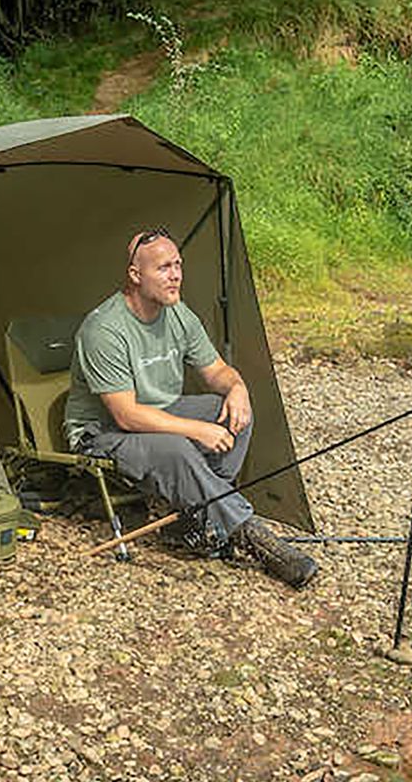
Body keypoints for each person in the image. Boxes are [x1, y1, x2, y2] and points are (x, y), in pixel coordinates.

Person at [64, 227, 318, 589]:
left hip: (160, 412)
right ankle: (255, 539)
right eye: (164, 268)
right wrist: (195, 429)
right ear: (135, 276)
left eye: (178, 265)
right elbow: (126, 415)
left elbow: (215, 371)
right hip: (102, 432)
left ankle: (196, 519)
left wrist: (238, 389)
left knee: (231, 413)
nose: (176, 275)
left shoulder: (179, 315)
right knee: (178, 446)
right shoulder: (104, 329)